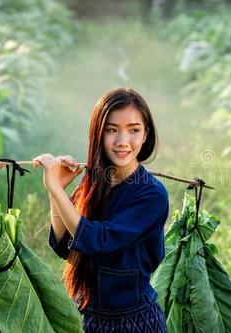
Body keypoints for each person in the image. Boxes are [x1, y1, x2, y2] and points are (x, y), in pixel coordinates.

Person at [32, 87, 169, 332]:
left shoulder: (151, 194)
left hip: (133, 323)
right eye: (112, 130)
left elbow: (98, 240)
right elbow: (65, 245)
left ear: (146, 134)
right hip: (87, 319)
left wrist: (54, 187)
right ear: (98, 133)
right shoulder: (94, 183)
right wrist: (58, 192)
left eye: (134, 130)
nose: (122, 141)